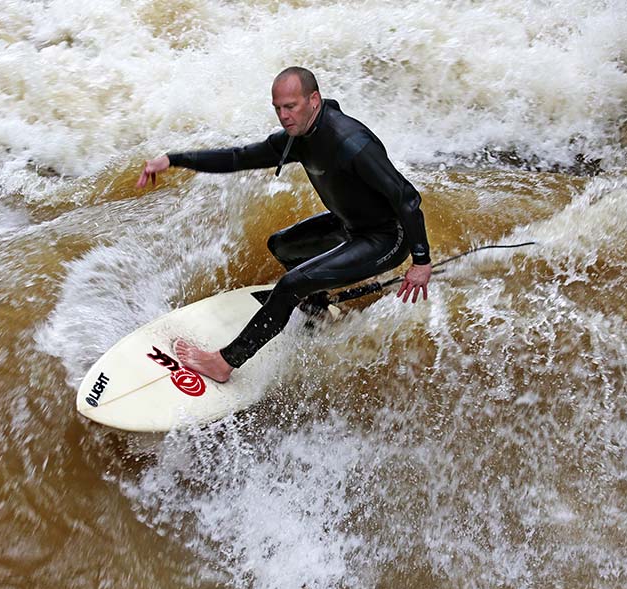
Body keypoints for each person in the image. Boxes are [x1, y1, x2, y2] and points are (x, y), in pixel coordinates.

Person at [136, 66, 432, 383]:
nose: (283, 115)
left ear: (314, 100)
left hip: (386, 237)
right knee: (283, 245)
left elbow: (406, 197)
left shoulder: (351, 142)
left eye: (290, 106)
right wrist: (174, 159)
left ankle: (225, 363)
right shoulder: (299, 137)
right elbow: (239, 157)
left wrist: (421, 261)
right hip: (350, 223)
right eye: (278, 108)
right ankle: (318, 307)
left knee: (290, 284)